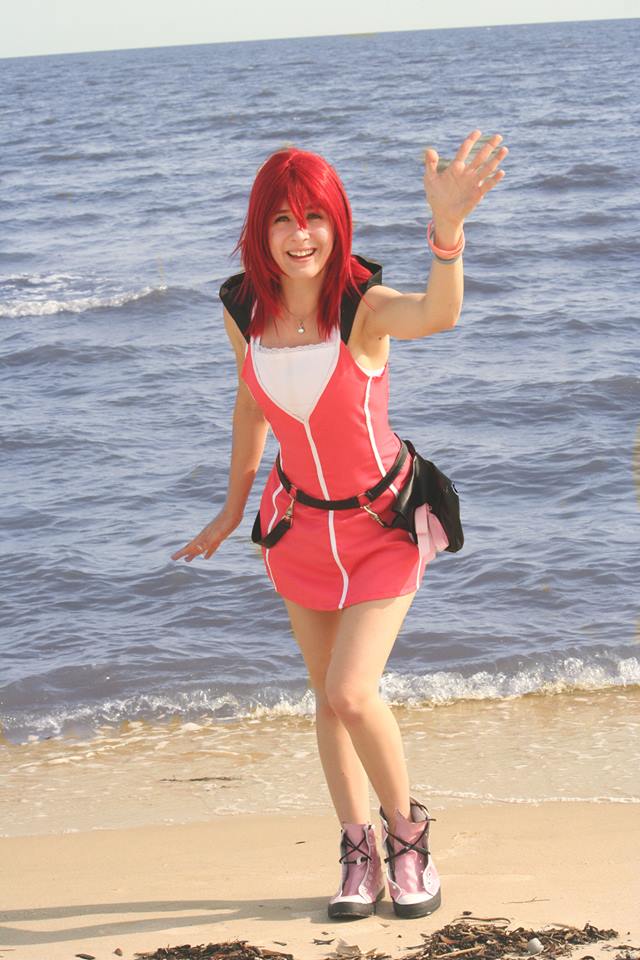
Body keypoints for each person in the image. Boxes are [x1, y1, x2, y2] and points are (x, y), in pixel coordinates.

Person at [171, 131, 507, 921]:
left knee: (353, 692)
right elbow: (251, 404)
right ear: (261, 228)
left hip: (381, 524)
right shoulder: (242, 308)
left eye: (315, 217)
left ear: (336, 223)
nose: (301, 236)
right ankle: (358, 852)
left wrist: (448, 231)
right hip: (297, 529)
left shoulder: (362, 306)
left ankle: (408, 838)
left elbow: (440, 313)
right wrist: (231, 508)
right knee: (326, 698)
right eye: (283, 219)